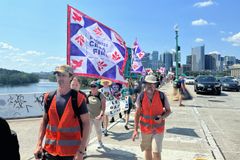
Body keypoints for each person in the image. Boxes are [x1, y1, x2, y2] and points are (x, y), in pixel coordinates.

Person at [34, 64, 90, 160]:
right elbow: (44, 121)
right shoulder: (49, 97)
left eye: (63, 75)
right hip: (50, 151)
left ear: (71, 77)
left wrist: (81, 151)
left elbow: (86, 124)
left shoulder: (79, 99)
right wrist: (38, 144)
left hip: (71, 153)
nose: (60, 78)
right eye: (58, 75)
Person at [132, 74, 171, 160]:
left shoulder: (162, 96)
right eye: (148, 84)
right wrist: (135, 130)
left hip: (158, 130)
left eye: (152, 84)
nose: (150, 86)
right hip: (145, 129)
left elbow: (168, 111)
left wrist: (162, 117)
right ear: (145, 84)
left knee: (156, 153)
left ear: (156, 85)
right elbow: (137, 114)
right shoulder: (141, 96)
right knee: (147, 150)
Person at [86, 81, 106, 149]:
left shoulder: (101, 95)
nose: (93, 88)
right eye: (91, 86)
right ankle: (85, 148)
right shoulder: (87, 95)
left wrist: (101, 115)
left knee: (98, 131)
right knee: (88, 132)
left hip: (97, 117)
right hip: (89, 117)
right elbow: (84, 105)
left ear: (97, 87)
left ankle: (100, 142)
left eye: (94, 86)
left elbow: (103, 107)